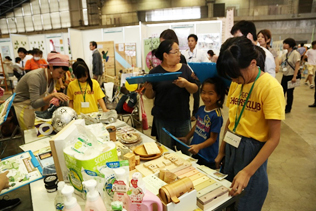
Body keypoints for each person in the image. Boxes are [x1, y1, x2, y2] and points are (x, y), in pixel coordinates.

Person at [215, 36, 285, 211]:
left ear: (253, 63)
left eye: (236, 75)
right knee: (227, 201)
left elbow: (274, 139)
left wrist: (248, 171)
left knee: (246, 202)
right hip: (231, 144)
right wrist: (222, 151)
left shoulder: (270, 88)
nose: (234, 80)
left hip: (253, 152)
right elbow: (231, 121)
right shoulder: (235, 82)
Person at [144, 40, 198, 154]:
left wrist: (186, 84)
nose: (179, 54)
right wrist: (148, 88)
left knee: (185, 151)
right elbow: (150, 96)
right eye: (176, 52)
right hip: (163, 120)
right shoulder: (155, 72)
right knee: (166, 152)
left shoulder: (184, 68)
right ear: (165, 55)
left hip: (182, 118)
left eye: (179, 51)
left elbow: (195, 89)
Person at [13, 53, 69, 130]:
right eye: (60, 72)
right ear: (51, 67)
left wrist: (44, 116)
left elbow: (44, 100)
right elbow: (35, 103)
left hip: (36, 106)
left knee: (39, 130)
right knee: (30, 133)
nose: (61, 76)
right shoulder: (35, 77)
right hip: (24, 107)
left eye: (64, 73)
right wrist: (53, 95)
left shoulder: (53, 78)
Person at [178, 77, 226, 169]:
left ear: (219, 96)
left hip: (208, 156)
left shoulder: (216, 116)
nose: (206, 96)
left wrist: (199, 146)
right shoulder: (201, 109)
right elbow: (197, 125)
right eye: (203, 92)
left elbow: (213, 139)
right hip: (196, 151)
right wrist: (187, 137)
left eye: (210, 93)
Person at [182, 34, 209, 121]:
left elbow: (206, 63)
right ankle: (186, 112)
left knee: (196, 97)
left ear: (196, 42)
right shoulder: (185, 53)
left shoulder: (201, 53)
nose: (190, 43)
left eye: (192, 41)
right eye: (189, 41)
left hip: (196, 78)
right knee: (185, 95)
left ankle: (195, 114)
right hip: (187, 77)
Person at [280, 38, 301, 113]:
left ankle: (288, 108)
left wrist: (294, 76)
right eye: (284, 43)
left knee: (289, 93)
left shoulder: (295, 53)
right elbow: (280, 62)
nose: (284, 45)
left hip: (291, 75)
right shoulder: (285, 54)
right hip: (285, 75)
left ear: (290, 45)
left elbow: (297, 66)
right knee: (282, 92)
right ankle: (281, 106)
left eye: (286, 43)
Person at [305, 41, 316, 107]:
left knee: (310, 74)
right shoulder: (309, 51)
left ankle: (306, 80)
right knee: (311, 74)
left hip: (315, 64)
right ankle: (311, 84)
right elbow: (305, 56)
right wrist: (303, 61)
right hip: (310, 64)